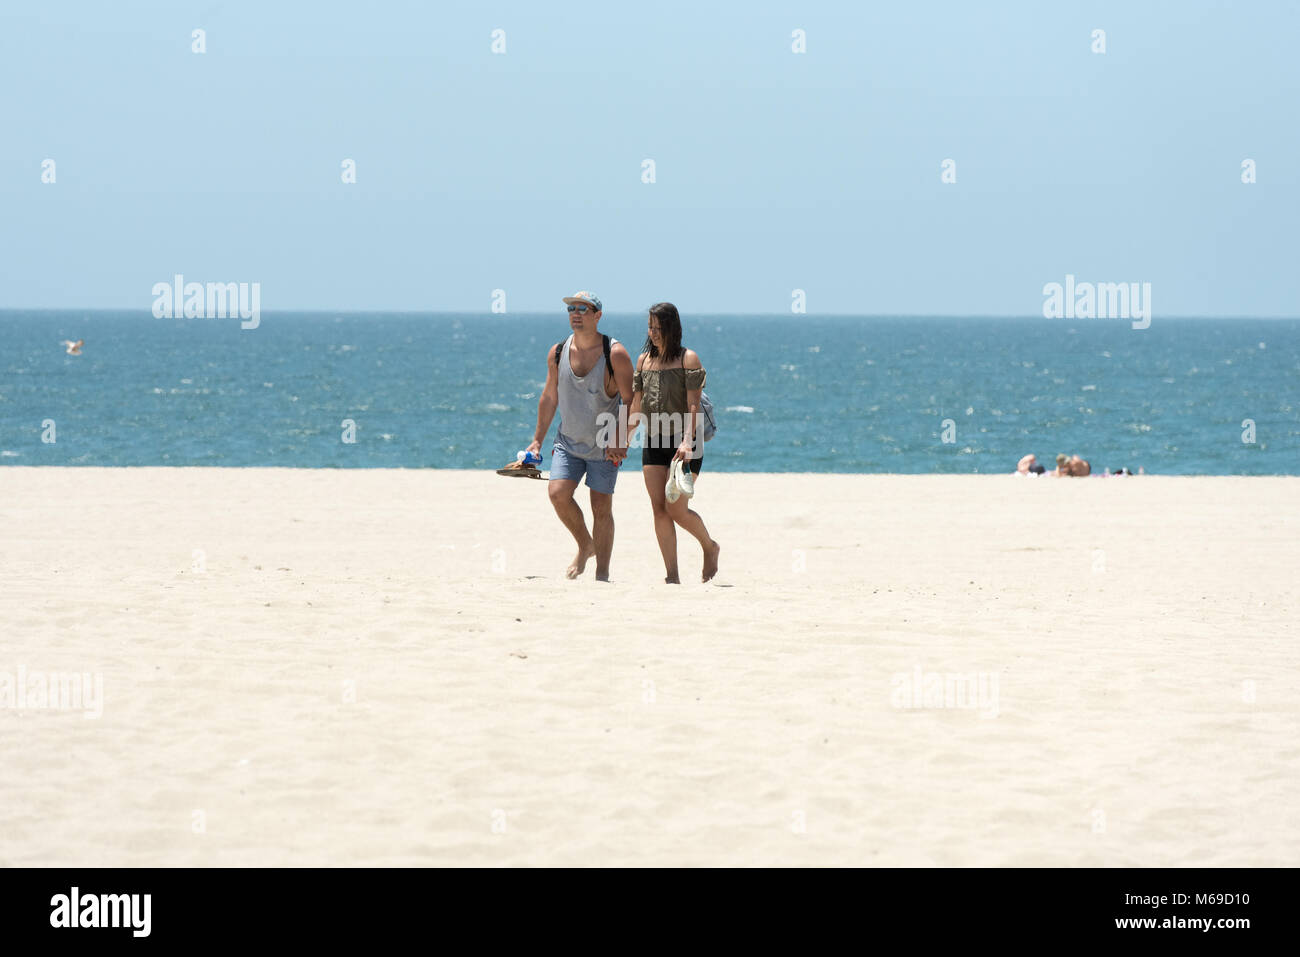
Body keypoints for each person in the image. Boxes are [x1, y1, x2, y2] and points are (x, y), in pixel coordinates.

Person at [524, 291, 634, 581]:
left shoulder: (615, 353)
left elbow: (632, 400)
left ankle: (602, 573)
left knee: (601, 508)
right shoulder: (558, 352)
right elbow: (550, 397)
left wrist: (621, 438)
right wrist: (537, 439)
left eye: (583, 309)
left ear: (597, 315)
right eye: (572, 308)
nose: (576, 313)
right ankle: (586, 545)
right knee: (558, 494)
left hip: (605, 447)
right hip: (568, 442)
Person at [628, 302, 720, 584]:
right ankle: (672, 576)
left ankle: (709, 546)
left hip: (686, 443)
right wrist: (622, 440)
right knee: (658, 508)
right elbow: (636, 404)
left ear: (672, 328)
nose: (653, 333)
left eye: (658, 328)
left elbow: (693, 406)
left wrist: (686, 442)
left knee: (676, 510)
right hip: (654, 440)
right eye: (650, 327)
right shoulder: (643, 360)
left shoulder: (688, 359)